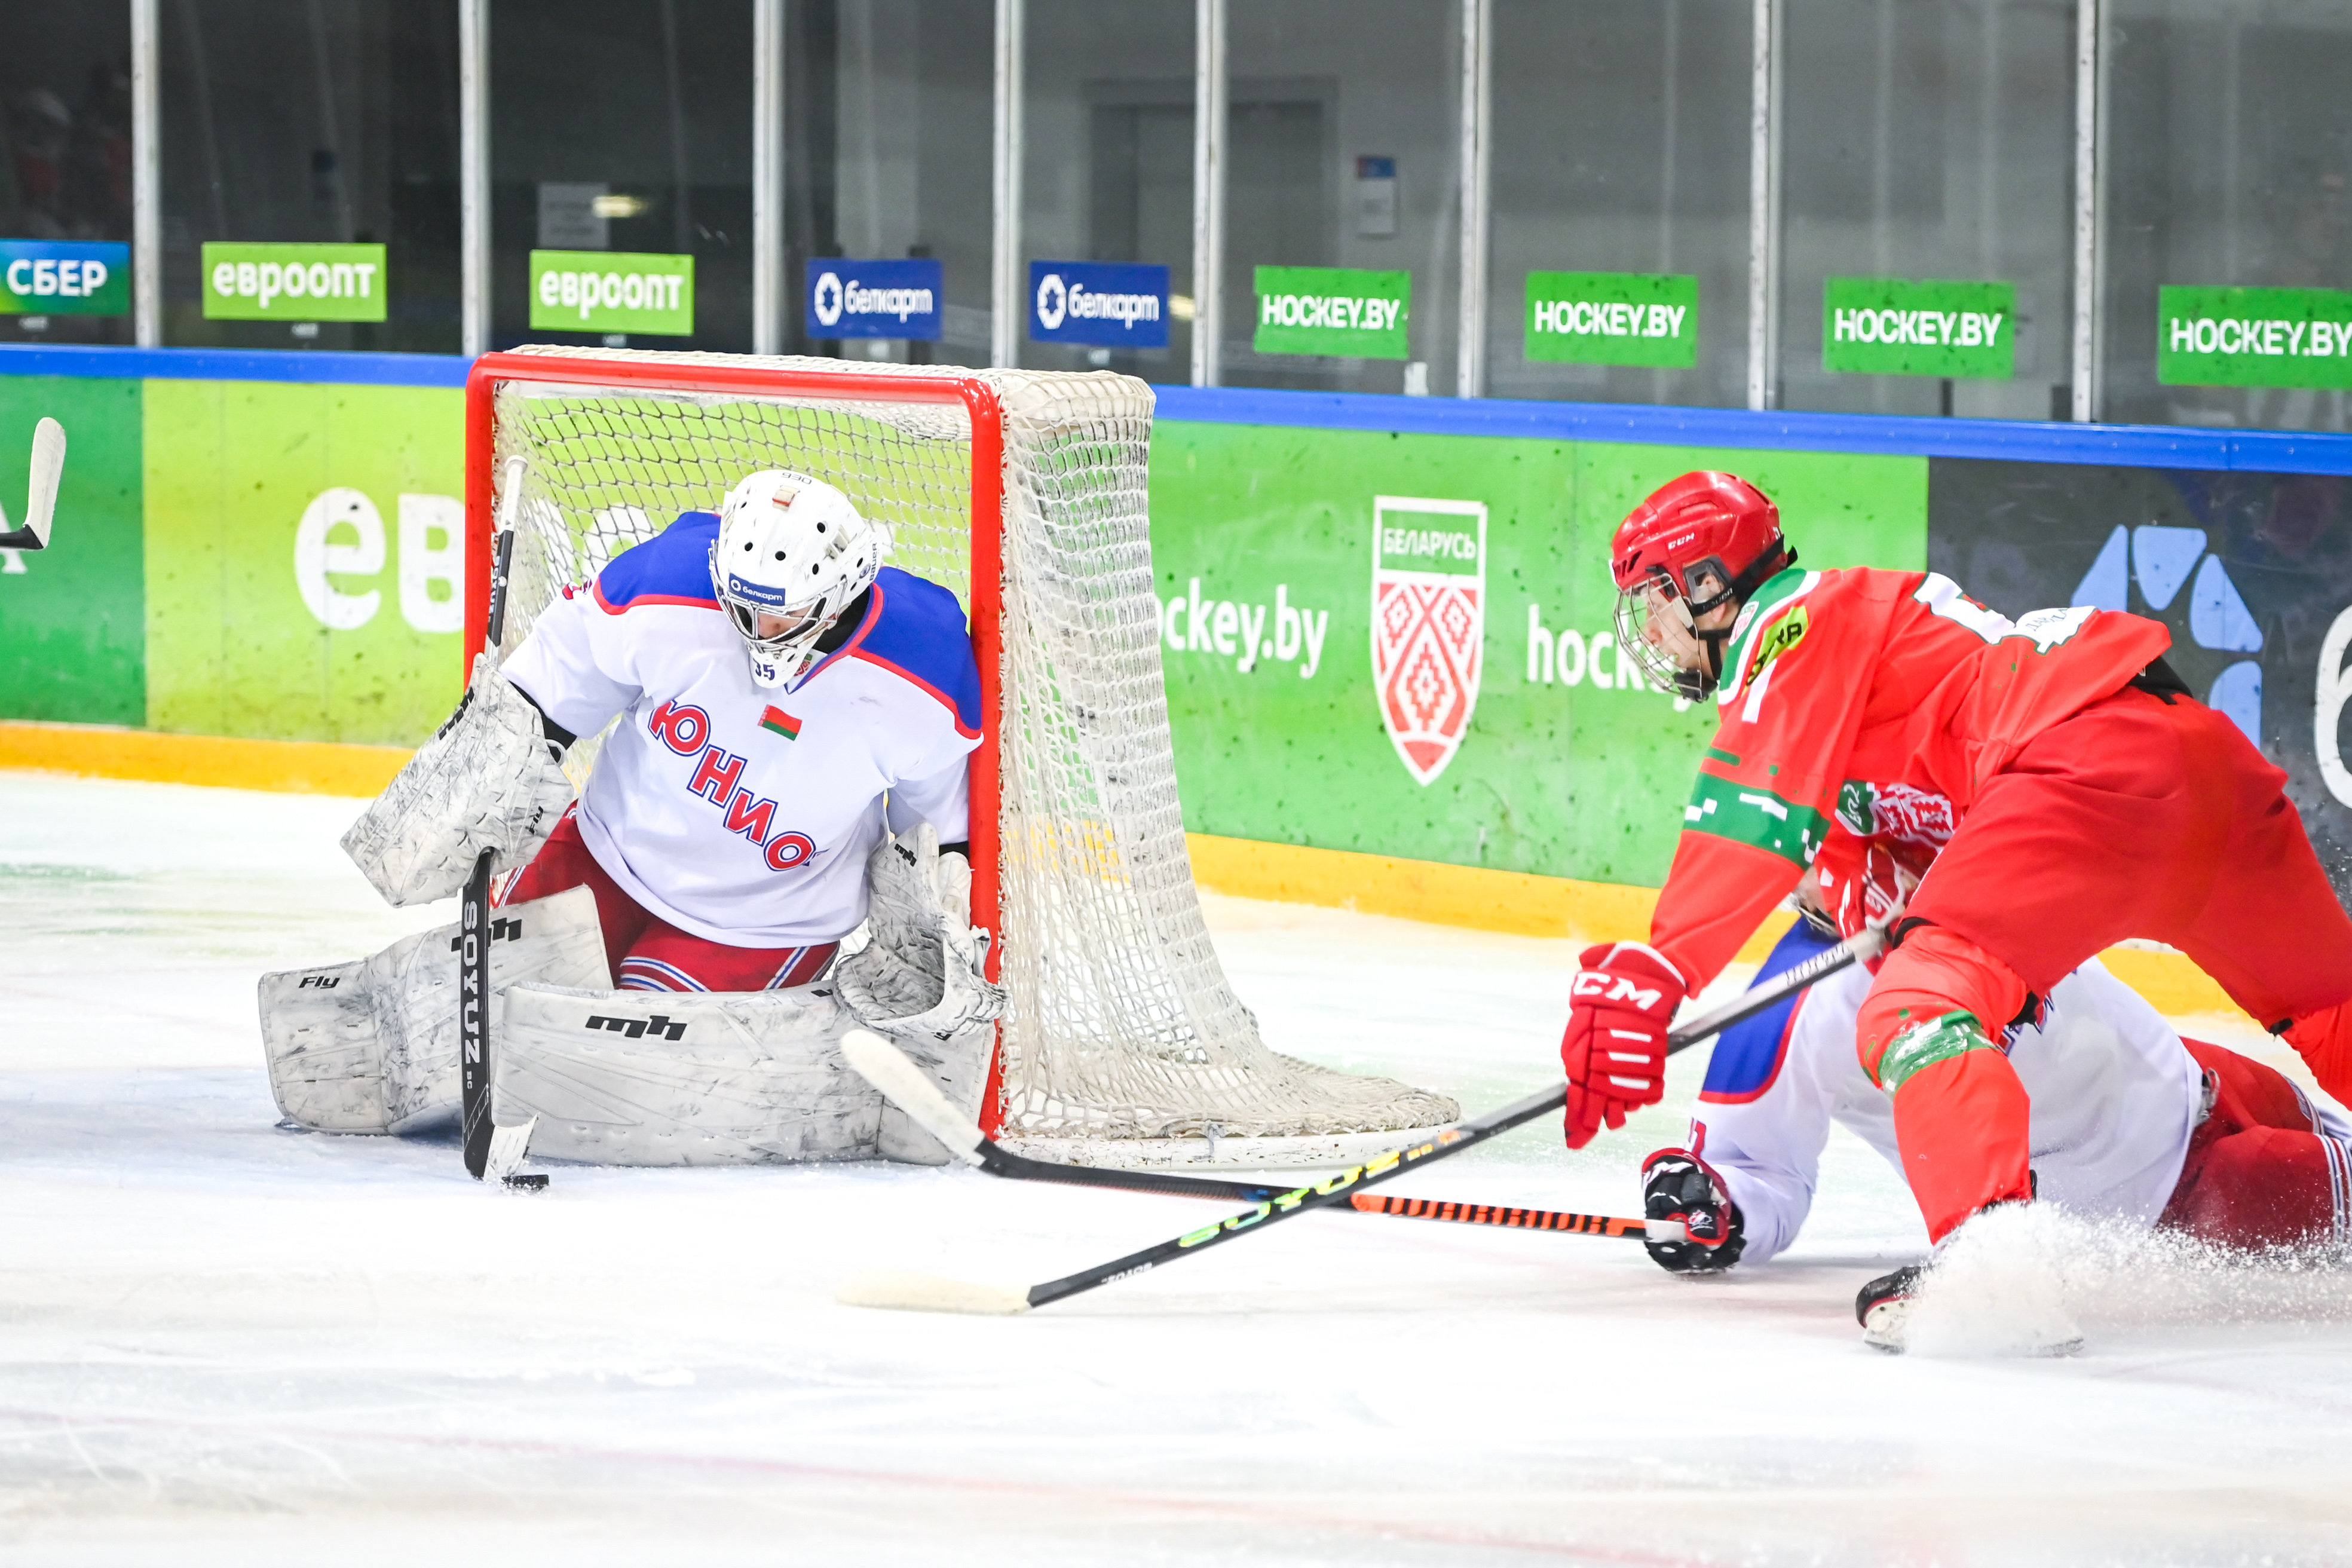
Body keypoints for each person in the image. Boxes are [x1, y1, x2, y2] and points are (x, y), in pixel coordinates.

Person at [1557, 470, 2352, 1342]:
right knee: (2329, 1002)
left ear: (1710, 585)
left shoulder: (1793, 624)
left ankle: (1992, 1268)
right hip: (2195, 757)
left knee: (1918, 1006)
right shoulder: (1869, 721)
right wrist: (1719, 1188)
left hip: (2083, 765)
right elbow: (1856, 875)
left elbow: (1755, 807)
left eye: (1660, 601)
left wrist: (1661, 964)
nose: (1655, 632)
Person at [1639, 848, 2352, 1350]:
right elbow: (1749, 1167)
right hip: (2177, 1202)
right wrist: (1712, 1203)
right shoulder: (1787, 1010)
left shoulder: (1982, 864)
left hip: (2202, 1069)